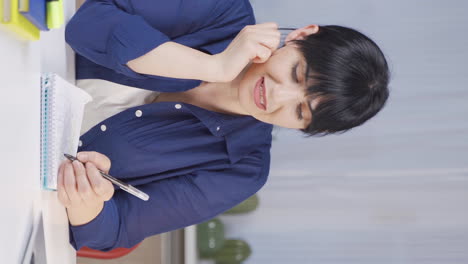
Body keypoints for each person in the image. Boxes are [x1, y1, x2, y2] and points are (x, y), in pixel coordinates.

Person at [62, 0, 390, 251]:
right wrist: (211, 66)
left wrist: (90, 199)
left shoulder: (243, 170)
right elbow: (87, 23)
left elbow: (110, 231)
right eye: (296, 74)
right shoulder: (225, 11)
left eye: (300, 110)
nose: (277, 95)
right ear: (301, 36)